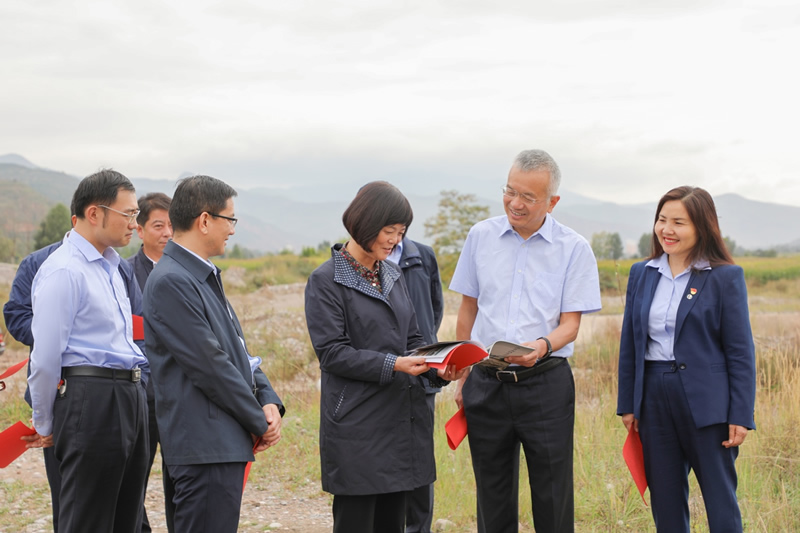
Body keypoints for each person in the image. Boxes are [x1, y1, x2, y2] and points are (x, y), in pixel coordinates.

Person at [450, 149, 601, 533]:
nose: (515, 203)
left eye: (528, 197)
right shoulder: (480, 236)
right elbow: (468, 310)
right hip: (486, 382)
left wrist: (541, 346)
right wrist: (464, 369)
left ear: (552, 201)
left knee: (553, 496)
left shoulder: (574, 248)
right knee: (492, 493)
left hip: (545, 384)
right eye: (509, 191)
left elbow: (570, 325)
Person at [304, 181, 464, 533]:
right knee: (358, 522)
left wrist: (439, 368)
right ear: (364, 224)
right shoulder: (326, 280)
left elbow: (414, 337)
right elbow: (333, 353)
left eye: (401, 232)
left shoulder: (391, 273)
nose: (395, 240)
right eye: (388, 231)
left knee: (394, 522)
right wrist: (393, 364)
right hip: (358, 424)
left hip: (401, 421)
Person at [142, 175, 284, 533]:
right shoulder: (172, 280)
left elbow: (238, 349)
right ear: (205, 220)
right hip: (204, 446)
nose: (233, 230)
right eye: (229, 219)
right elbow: (211, 366)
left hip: (220, 443)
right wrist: (258, 421)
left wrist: (267, 400)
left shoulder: (200, 275)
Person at [616, 186, 756, 532]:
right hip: (654, 398)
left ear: (701, 227)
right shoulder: (642, 272)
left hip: (707, 403)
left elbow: (740, 351)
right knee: (665, 502)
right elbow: (630, 343)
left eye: (679, 222)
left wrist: (741, 413)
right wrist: (628, 404)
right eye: (662, 220)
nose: (667, 229)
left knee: (721, 502)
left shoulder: (724, 277)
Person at [24, 169, 151, 532]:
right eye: (128, 214)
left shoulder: (111, 267)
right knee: (88, 518)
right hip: (91, 399)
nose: (134, 223)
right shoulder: (64, 271)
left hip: (129, 394)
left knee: (126, 515)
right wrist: (45, 422)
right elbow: (45, 358)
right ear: (95, 213)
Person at [387, 238, 444, 533]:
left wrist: (423, 349)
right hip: (383, 374)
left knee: (420, 457)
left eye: (400, 227)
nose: (394, 236)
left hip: (421, 371)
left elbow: (435, 308)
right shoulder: (363, 260)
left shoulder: (422, 255)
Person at [127, 191, 175, 533]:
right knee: (132, 482)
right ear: (140, 230)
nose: (167, 233)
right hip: (140, 398)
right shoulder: (123, 274)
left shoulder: (191, 274)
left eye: (172, 225)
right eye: (158, 225)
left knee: (181, 483)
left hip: (180, 399)